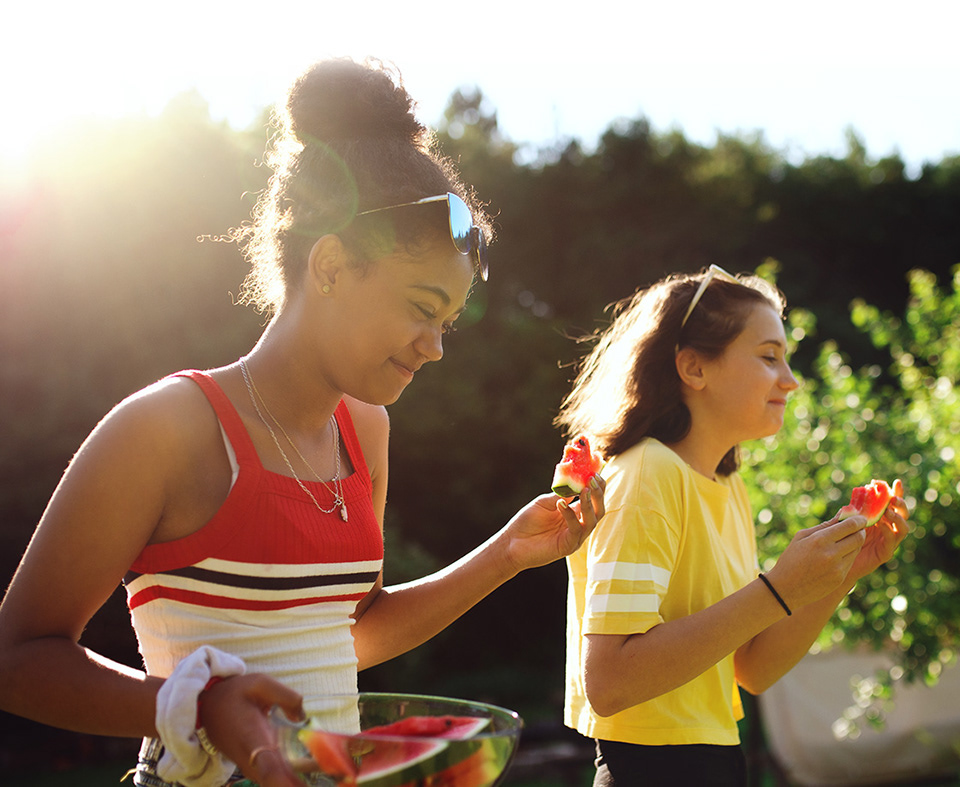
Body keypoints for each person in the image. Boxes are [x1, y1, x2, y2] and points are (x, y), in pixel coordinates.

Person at [0, 57, 604, 787]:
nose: (437, 347)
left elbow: (349, 632)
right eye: (421, 308)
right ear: (330, 266)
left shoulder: (367, 429)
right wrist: (195, 705)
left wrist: (507, 552)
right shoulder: (168, 429)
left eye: (448, 321)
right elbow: (19, 656)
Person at [554, 265, 909, 786]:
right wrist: (779, 586)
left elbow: (752, 669)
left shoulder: (726, 487)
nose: (790, 380)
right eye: (769, 357)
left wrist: (840, 575)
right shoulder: (647, 473)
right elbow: (609, 681)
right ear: (694, 367)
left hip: (717, 761)